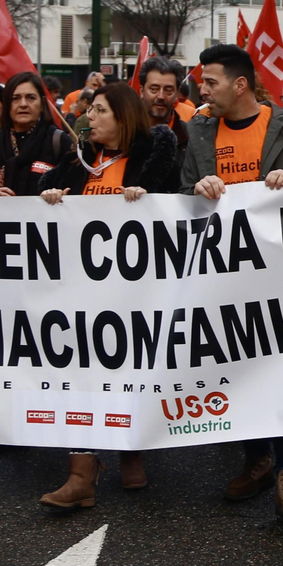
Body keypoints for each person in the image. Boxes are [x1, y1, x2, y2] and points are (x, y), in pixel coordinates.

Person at [180, 44, 283, 515]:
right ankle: (257, 457)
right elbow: (182, 192)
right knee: (239, 368)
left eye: (211, 82)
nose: (203, 90)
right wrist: (196, 189)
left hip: (282, 274)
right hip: (227, 277)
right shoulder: (199, 130)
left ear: (240, 85)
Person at [34, 83, 182, 510]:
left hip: (134, 298)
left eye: (99, 111)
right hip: (81, 298)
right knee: (81, 380)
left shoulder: (150, 163)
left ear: (123, 118)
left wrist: (150, 201)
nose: (90, 117)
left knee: (127, 375)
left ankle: (129, 451)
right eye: (90, 110)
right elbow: (50, 214)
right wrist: (53, 197)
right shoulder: (80, 162)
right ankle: (82, 473)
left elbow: (174, 215)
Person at [0, 72, 75, 196]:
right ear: (7, 104)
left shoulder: (58, 141)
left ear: (42, 104)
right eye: (15, 98)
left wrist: (58, 193)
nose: (23, 104)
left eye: (31, 98)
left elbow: (73, 187)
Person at [138, 57, 186, 137]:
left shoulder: (189, 136)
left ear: (177, 93)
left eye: (168, 90)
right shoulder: (126, 132)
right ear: (142, 91)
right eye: (154, 89)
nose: (161, 96)